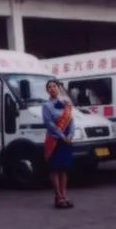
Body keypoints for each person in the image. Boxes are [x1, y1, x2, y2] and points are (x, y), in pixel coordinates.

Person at [42, 80, 74, 209]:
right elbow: (49, 124)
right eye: (49, 87)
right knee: (55, 169)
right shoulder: (46, 106)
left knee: (63, 169)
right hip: (54, 139)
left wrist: (70, 135)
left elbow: (71, 120)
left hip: (66, 139)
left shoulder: (66, 103)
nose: (52, 89)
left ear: (58, 88)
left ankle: (65, 196)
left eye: (54, 86)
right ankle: (58, 196)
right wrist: (62, 136)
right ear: (47, 90)